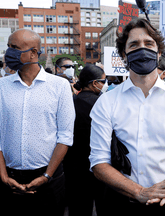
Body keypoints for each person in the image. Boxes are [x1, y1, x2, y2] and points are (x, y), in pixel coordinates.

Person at [89, 18, 165, 216]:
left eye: (149, 44)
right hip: (120, 204)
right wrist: (139, 192)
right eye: (134, 45)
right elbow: (99, 163)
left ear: (159, 52)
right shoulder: (106, 102)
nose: (142, 49)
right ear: (124, 55)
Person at [0, 29, 75, 216]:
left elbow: (65, 136)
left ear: (34, 53)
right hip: (8, 179)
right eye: (8, 47)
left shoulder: (59, 86)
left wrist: (47, 176)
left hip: (49, 180)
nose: (8, 53)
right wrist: (3, 175)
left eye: (14, 48)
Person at [64, 63, 108, 216]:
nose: (105, 84)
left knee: (79, 208)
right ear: (95, 83)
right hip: (101, 165)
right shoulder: (102, 104)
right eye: (104, 81)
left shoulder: (70, 102)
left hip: (74, 167)